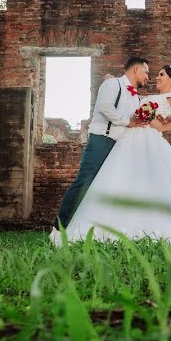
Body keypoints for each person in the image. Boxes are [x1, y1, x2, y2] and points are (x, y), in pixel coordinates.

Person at [50, 64, 171, 245]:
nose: (156, 78)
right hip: (130, 140)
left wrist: (165, 127)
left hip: (149, 139)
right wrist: (113, 81)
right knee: (125, 180)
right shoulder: (148, 96)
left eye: (161, 75)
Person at [52, 56, 150, 231]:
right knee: (84, 183)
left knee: (110, 188)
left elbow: (134, 123)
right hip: (101, 141)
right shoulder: (112, 84)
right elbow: (105, 107)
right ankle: (59, 230)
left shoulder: (136, 98)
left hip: (120, 147)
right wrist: (127, 121)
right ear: (136, 69)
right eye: (146, 72)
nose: (148, 77)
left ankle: (97, 231)